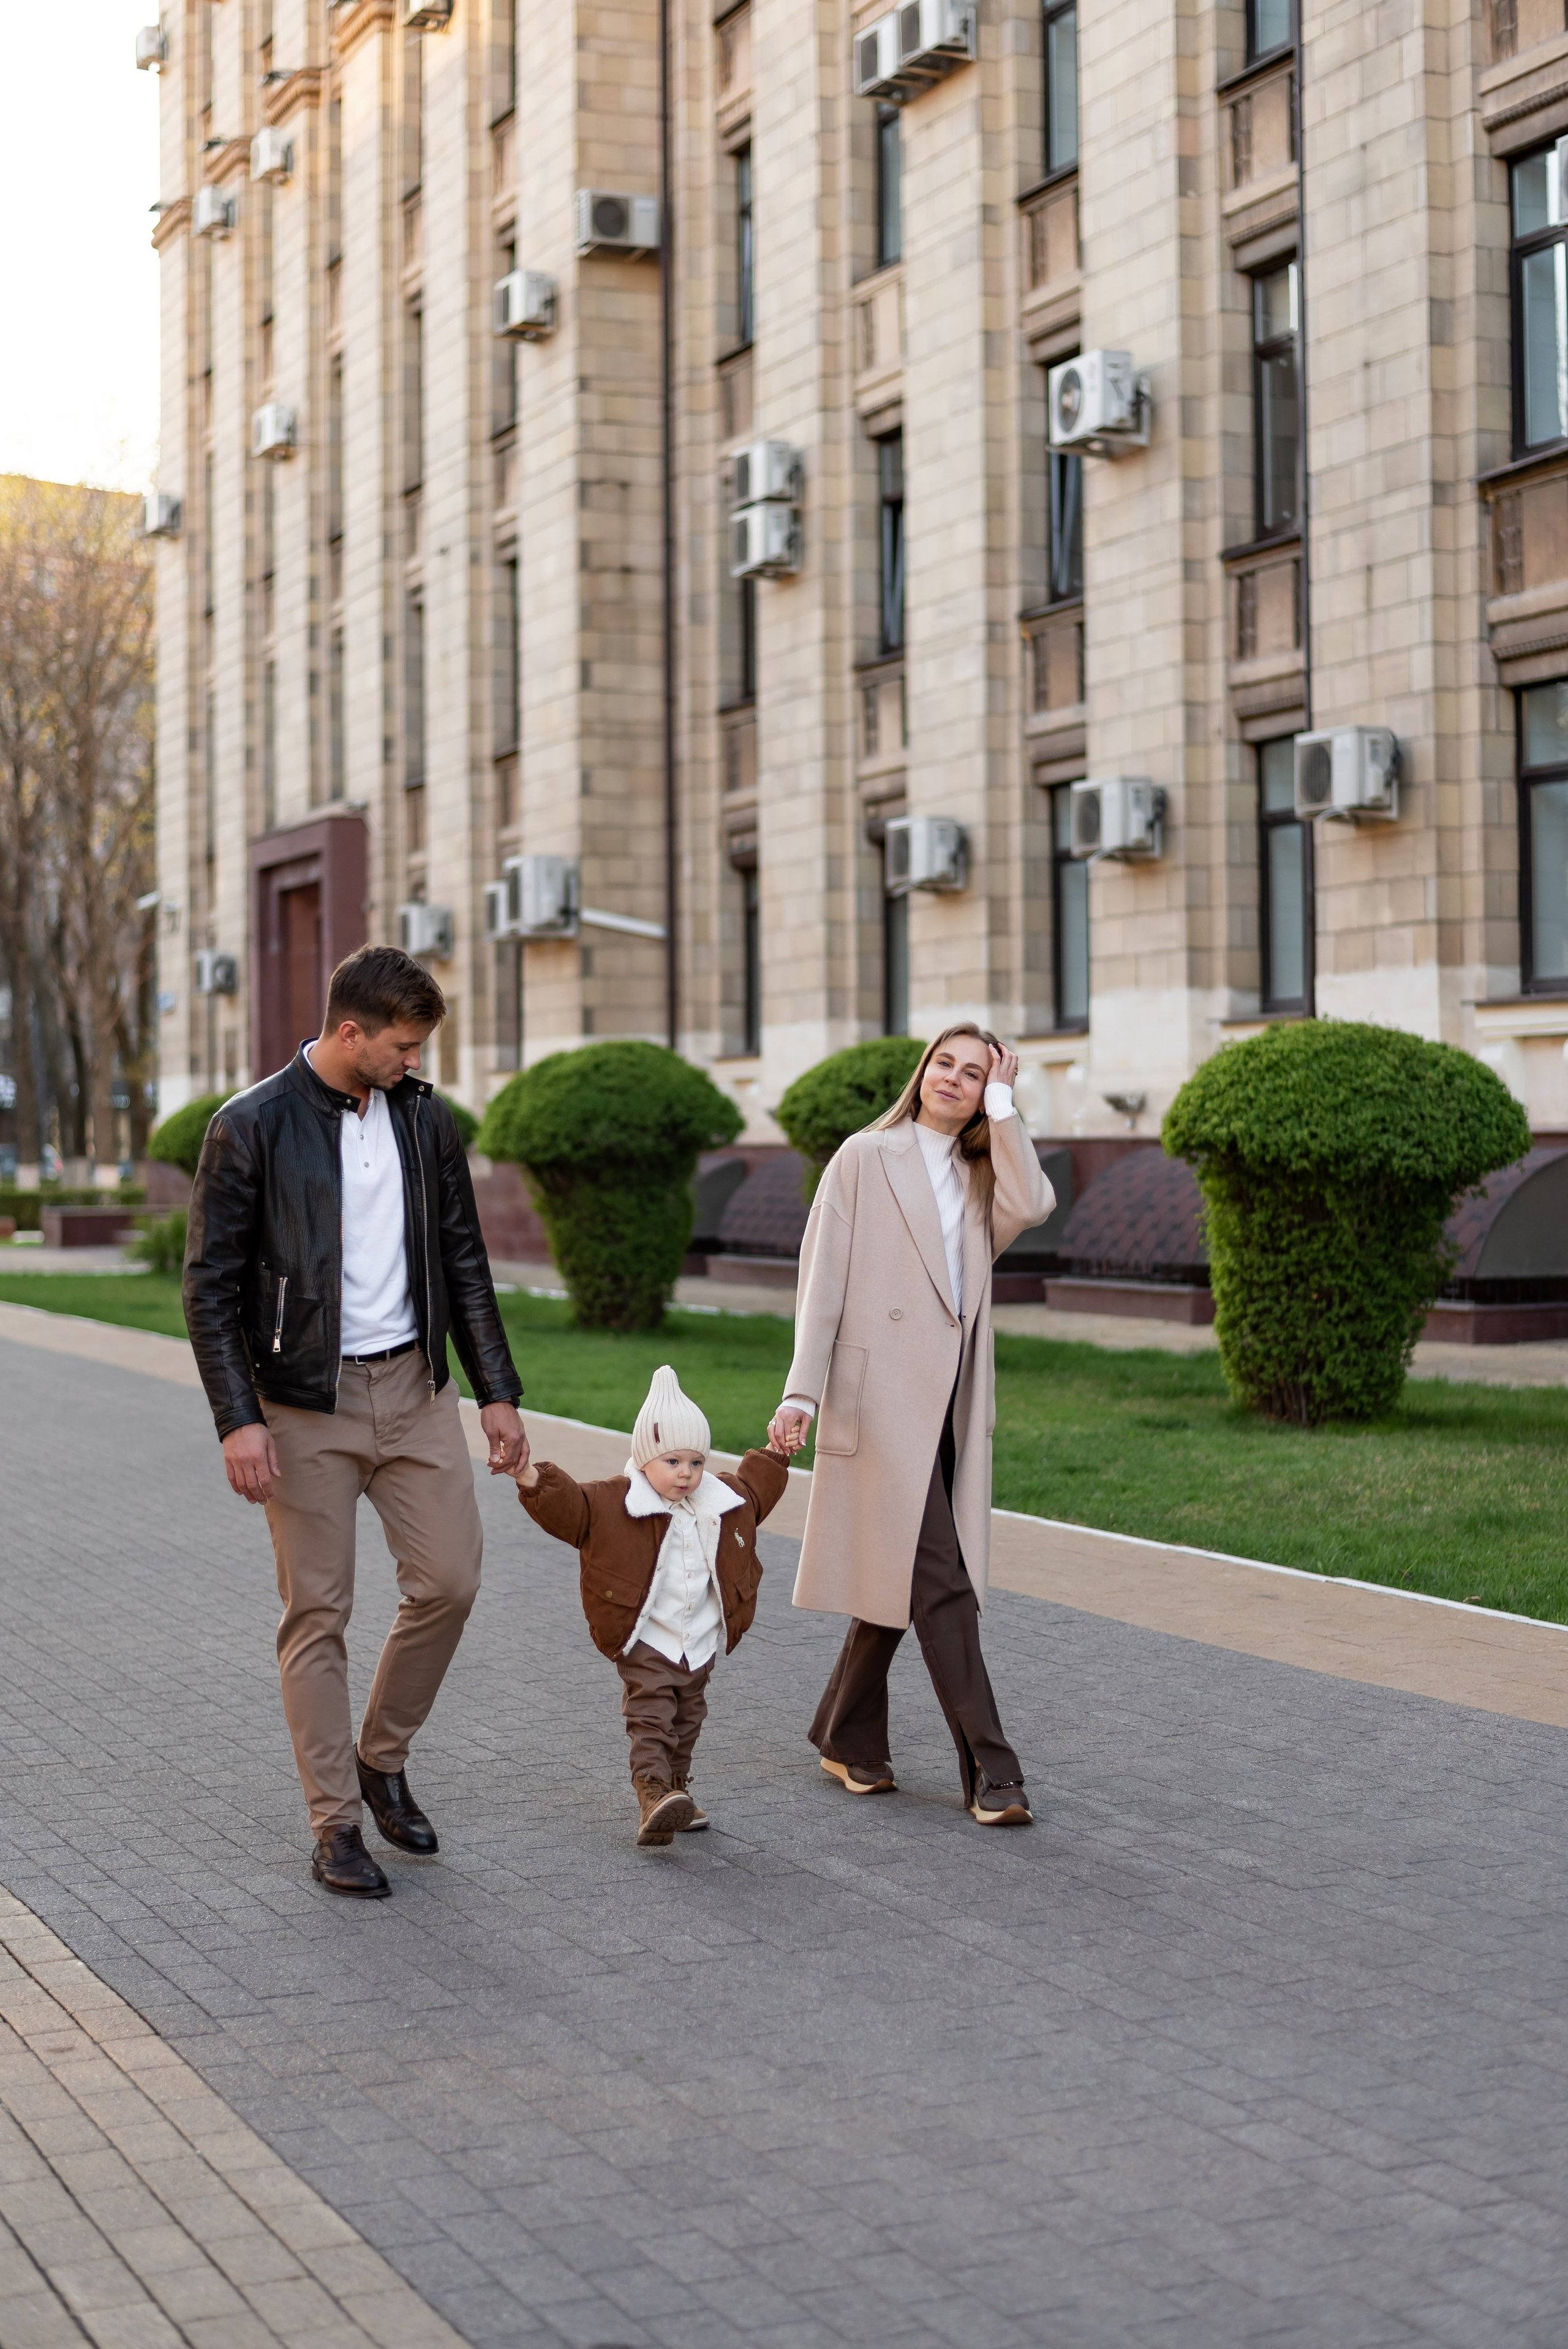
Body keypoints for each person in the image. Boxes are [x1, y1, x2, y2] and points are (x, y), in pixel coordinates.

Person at [184, 945, 527, 1899]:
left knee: (449, 1581)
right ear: (350, 1032)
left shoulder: (423, 1117)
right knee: (318, 1613)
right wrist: (238, 1417)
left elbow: (464, 1258)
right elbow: (208, 1286)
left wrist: (498, 1391)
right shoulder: (251, 1124)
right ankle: (335, 1821)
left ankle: (381, 1756)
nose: (415, 1061)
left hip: (416, 1388)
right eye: (403, 1046)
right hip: (304, 1403)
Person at [768, 1025, 1055, 1825]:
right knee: (941, 1577)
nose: (952, 1078)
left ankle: (844, 1733)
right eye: (944, 1063)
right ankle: (993, 1769)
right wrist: (802, 1393)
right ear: (921, 1069)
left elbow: (1034, 1205)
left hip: (951, 1395)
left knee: (904, 1566)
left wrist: (1006, 1106)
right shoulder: (865, 1154)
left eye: (974, 1073)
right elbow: (822, 1281)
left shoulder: (981, 1172)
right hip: (880, 1394)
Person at [516, 1365, 788, 1845]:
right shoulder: (614, 1502)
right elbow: (570, 1508)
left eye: (696, 1462)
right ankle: (652, 1794)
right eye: (673, 1461)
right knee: (652, 1718)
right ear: (644, 1460)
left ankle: (676, 1790)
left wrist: (777, 1451)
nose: (686, 1473)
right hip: (647, 1636)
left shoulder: (721, 1500)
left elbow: (756, 1489)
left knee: (688, 1719)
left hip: (697, 1640)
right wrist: (528, 1474)